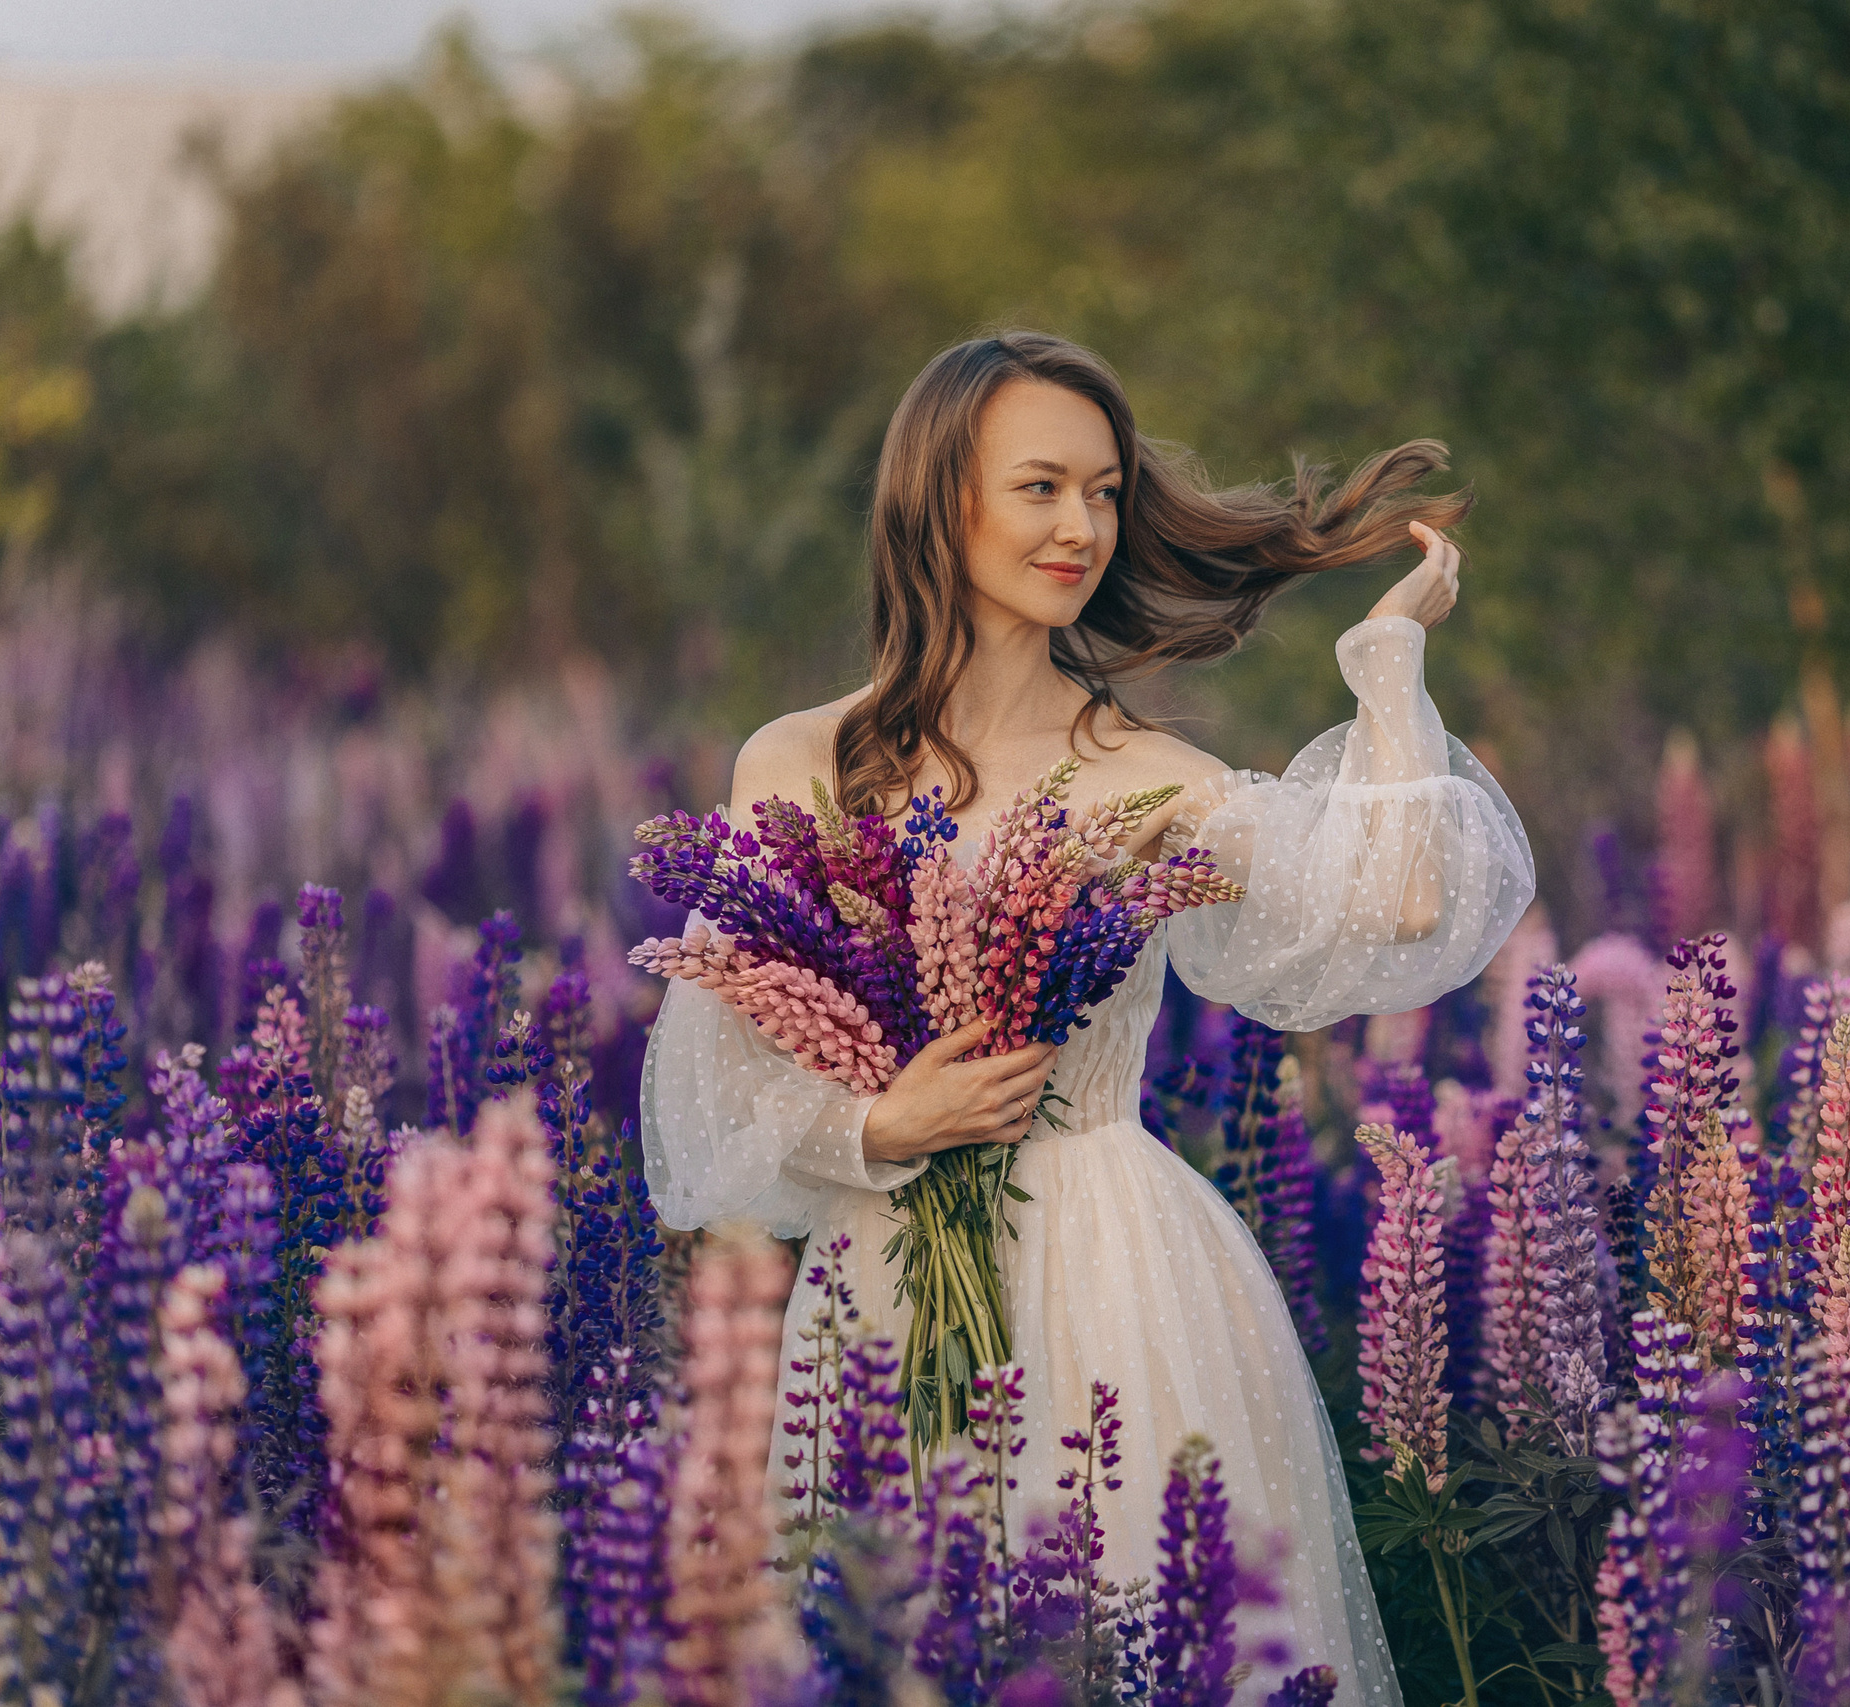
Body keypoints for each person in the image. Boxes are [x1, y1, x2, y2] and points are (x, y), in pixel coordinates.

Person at [639, 330, 1534, 1704]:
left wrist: (1389, 662)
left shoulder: (1143, 773)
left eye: (1107, 492)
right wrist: (884, 1122)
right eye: (1043, 487)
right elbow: (718, 1096)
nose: (1084, 528)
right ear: (943, 502)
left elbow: (1403, 906)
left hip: (1120, 1272)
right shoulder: (802, 759)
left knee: (1146, 1639)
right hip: (881, 1286)